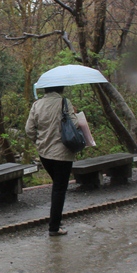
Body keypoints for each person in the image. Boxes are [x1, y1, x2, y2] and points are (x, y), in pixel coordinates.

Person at [25, 86, 78, 236]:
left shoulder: (37, 104)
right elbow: (74, 124)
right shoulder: (64, 103)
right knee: (59, 189)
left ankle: (56, 220)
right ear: (60, 88)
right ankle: (54, 227)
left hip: (44, 153)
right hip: (62, 153)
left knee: (58, 186)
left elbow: (29, 129)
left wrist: (38, 141)